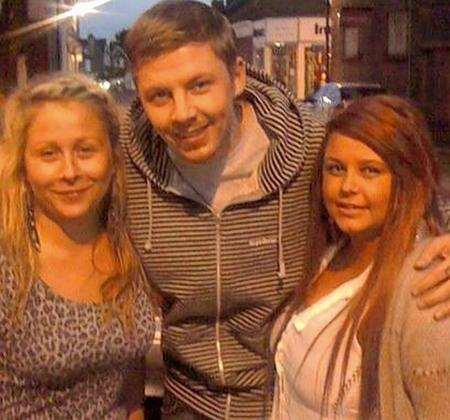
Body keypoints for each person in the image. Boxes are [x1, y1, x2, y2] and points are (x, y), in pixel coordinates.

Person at [121, 1, 450, 418]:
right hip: (186, 405)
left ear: (237, 75)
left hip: (277, 400)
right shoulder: (126, 165)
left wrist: (436, 247)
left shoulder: (310, 148)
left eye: (200, 85)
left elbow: (391, 184)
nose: (183, 112)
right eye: (159, 96)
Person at [271, 95, 450, 419]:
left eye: (370, 171)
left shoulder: (428, 289)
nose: (347, 187)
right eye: (336, 169)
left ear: (410, 181)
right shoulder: (328, 253)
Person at [0, 73, 158, 419]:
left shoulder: (129, 245)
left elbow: (129, 372)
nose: (69, 171)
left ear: (112, 159)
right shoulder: (8, 264)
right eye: (48, 154)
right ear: (23, 165)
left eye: (85, 150)